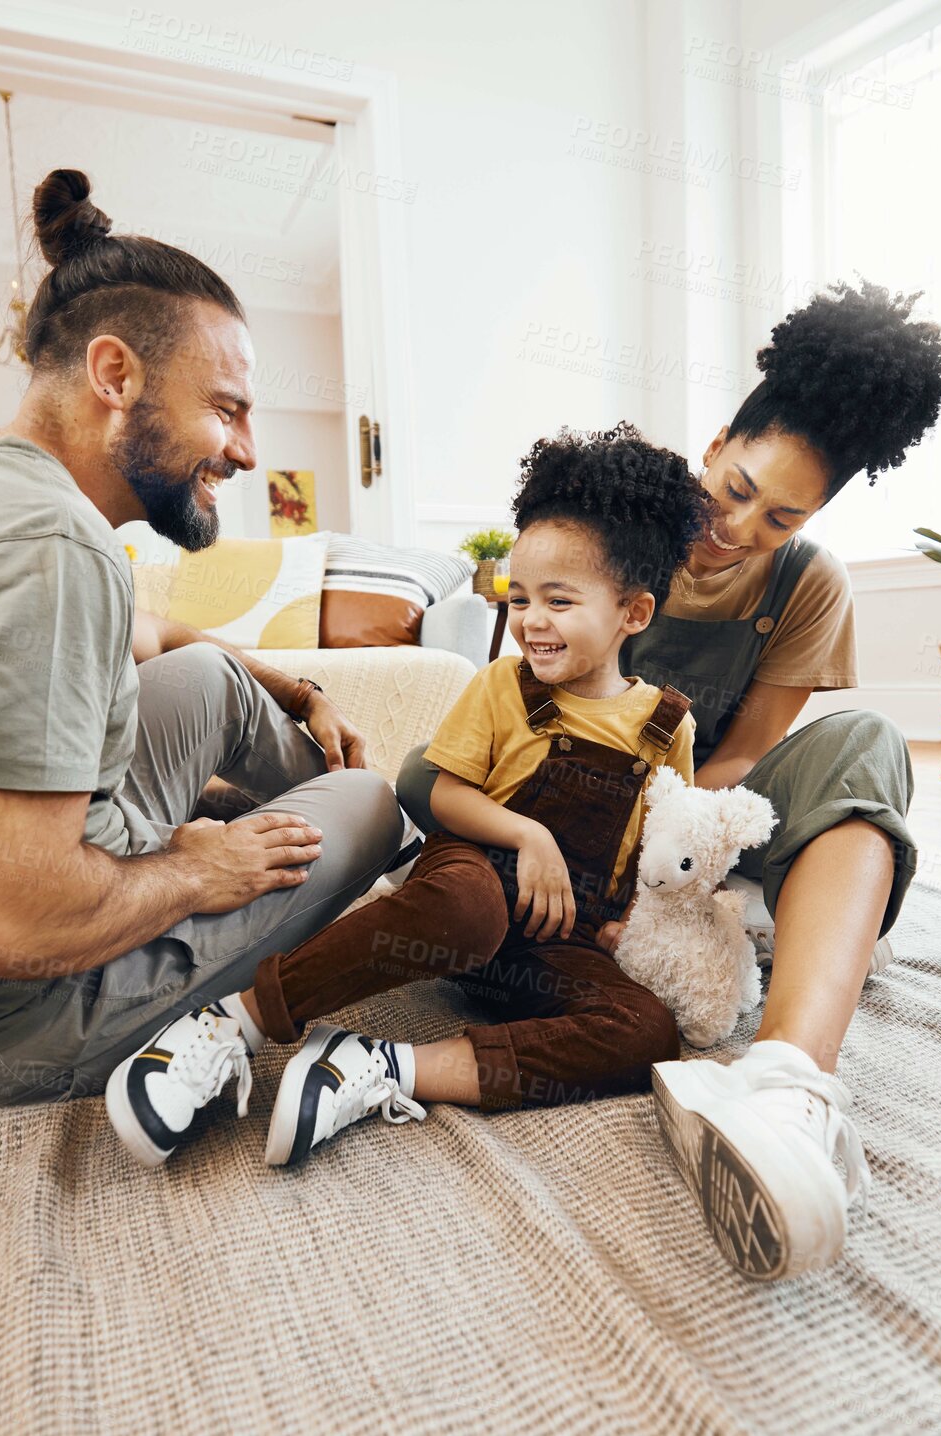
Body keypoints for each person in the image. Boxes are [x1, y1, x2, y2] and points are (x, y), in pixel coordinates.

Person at [0, 168, 408, 1108]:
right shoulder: (43, 550)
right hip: (11, 1021)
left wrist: (292, 690)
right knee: (373, 806)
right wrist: (194, 868)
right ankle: (375, 839)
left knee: (215, 675)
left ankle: (302, 827)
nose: (249, 452)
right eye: (226, 408)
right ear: (114, 374)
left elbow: (148, 633)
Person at [402, 279, 941, 1281]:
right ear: (713, 445)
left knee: (870, 742)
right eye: (738, 486)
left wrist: (683, 838)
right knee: (430, 804)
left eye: (781, 515)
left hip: (687, 824)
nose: (741, 524)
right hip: (561, 825)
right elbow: (514, 699)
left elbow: (744, 752)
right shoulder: (613, 527)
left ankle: (787, 1082)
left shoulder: (807, 587)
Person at [104, 427, 709, 1172]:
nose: (531, 620)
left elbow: (659, 849)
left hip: (556, 944)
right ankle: (234, 1023)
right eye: (519, 599)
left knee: (648, 1031)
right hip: (468, 893)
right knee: (468, 906)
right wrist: (527, 835)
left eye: (559, 600)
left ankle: (380, 1066)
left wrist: (629, 924)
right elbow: (442, 791)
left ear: (634, 613)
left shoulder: (666, 727)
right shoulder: (500, 687)